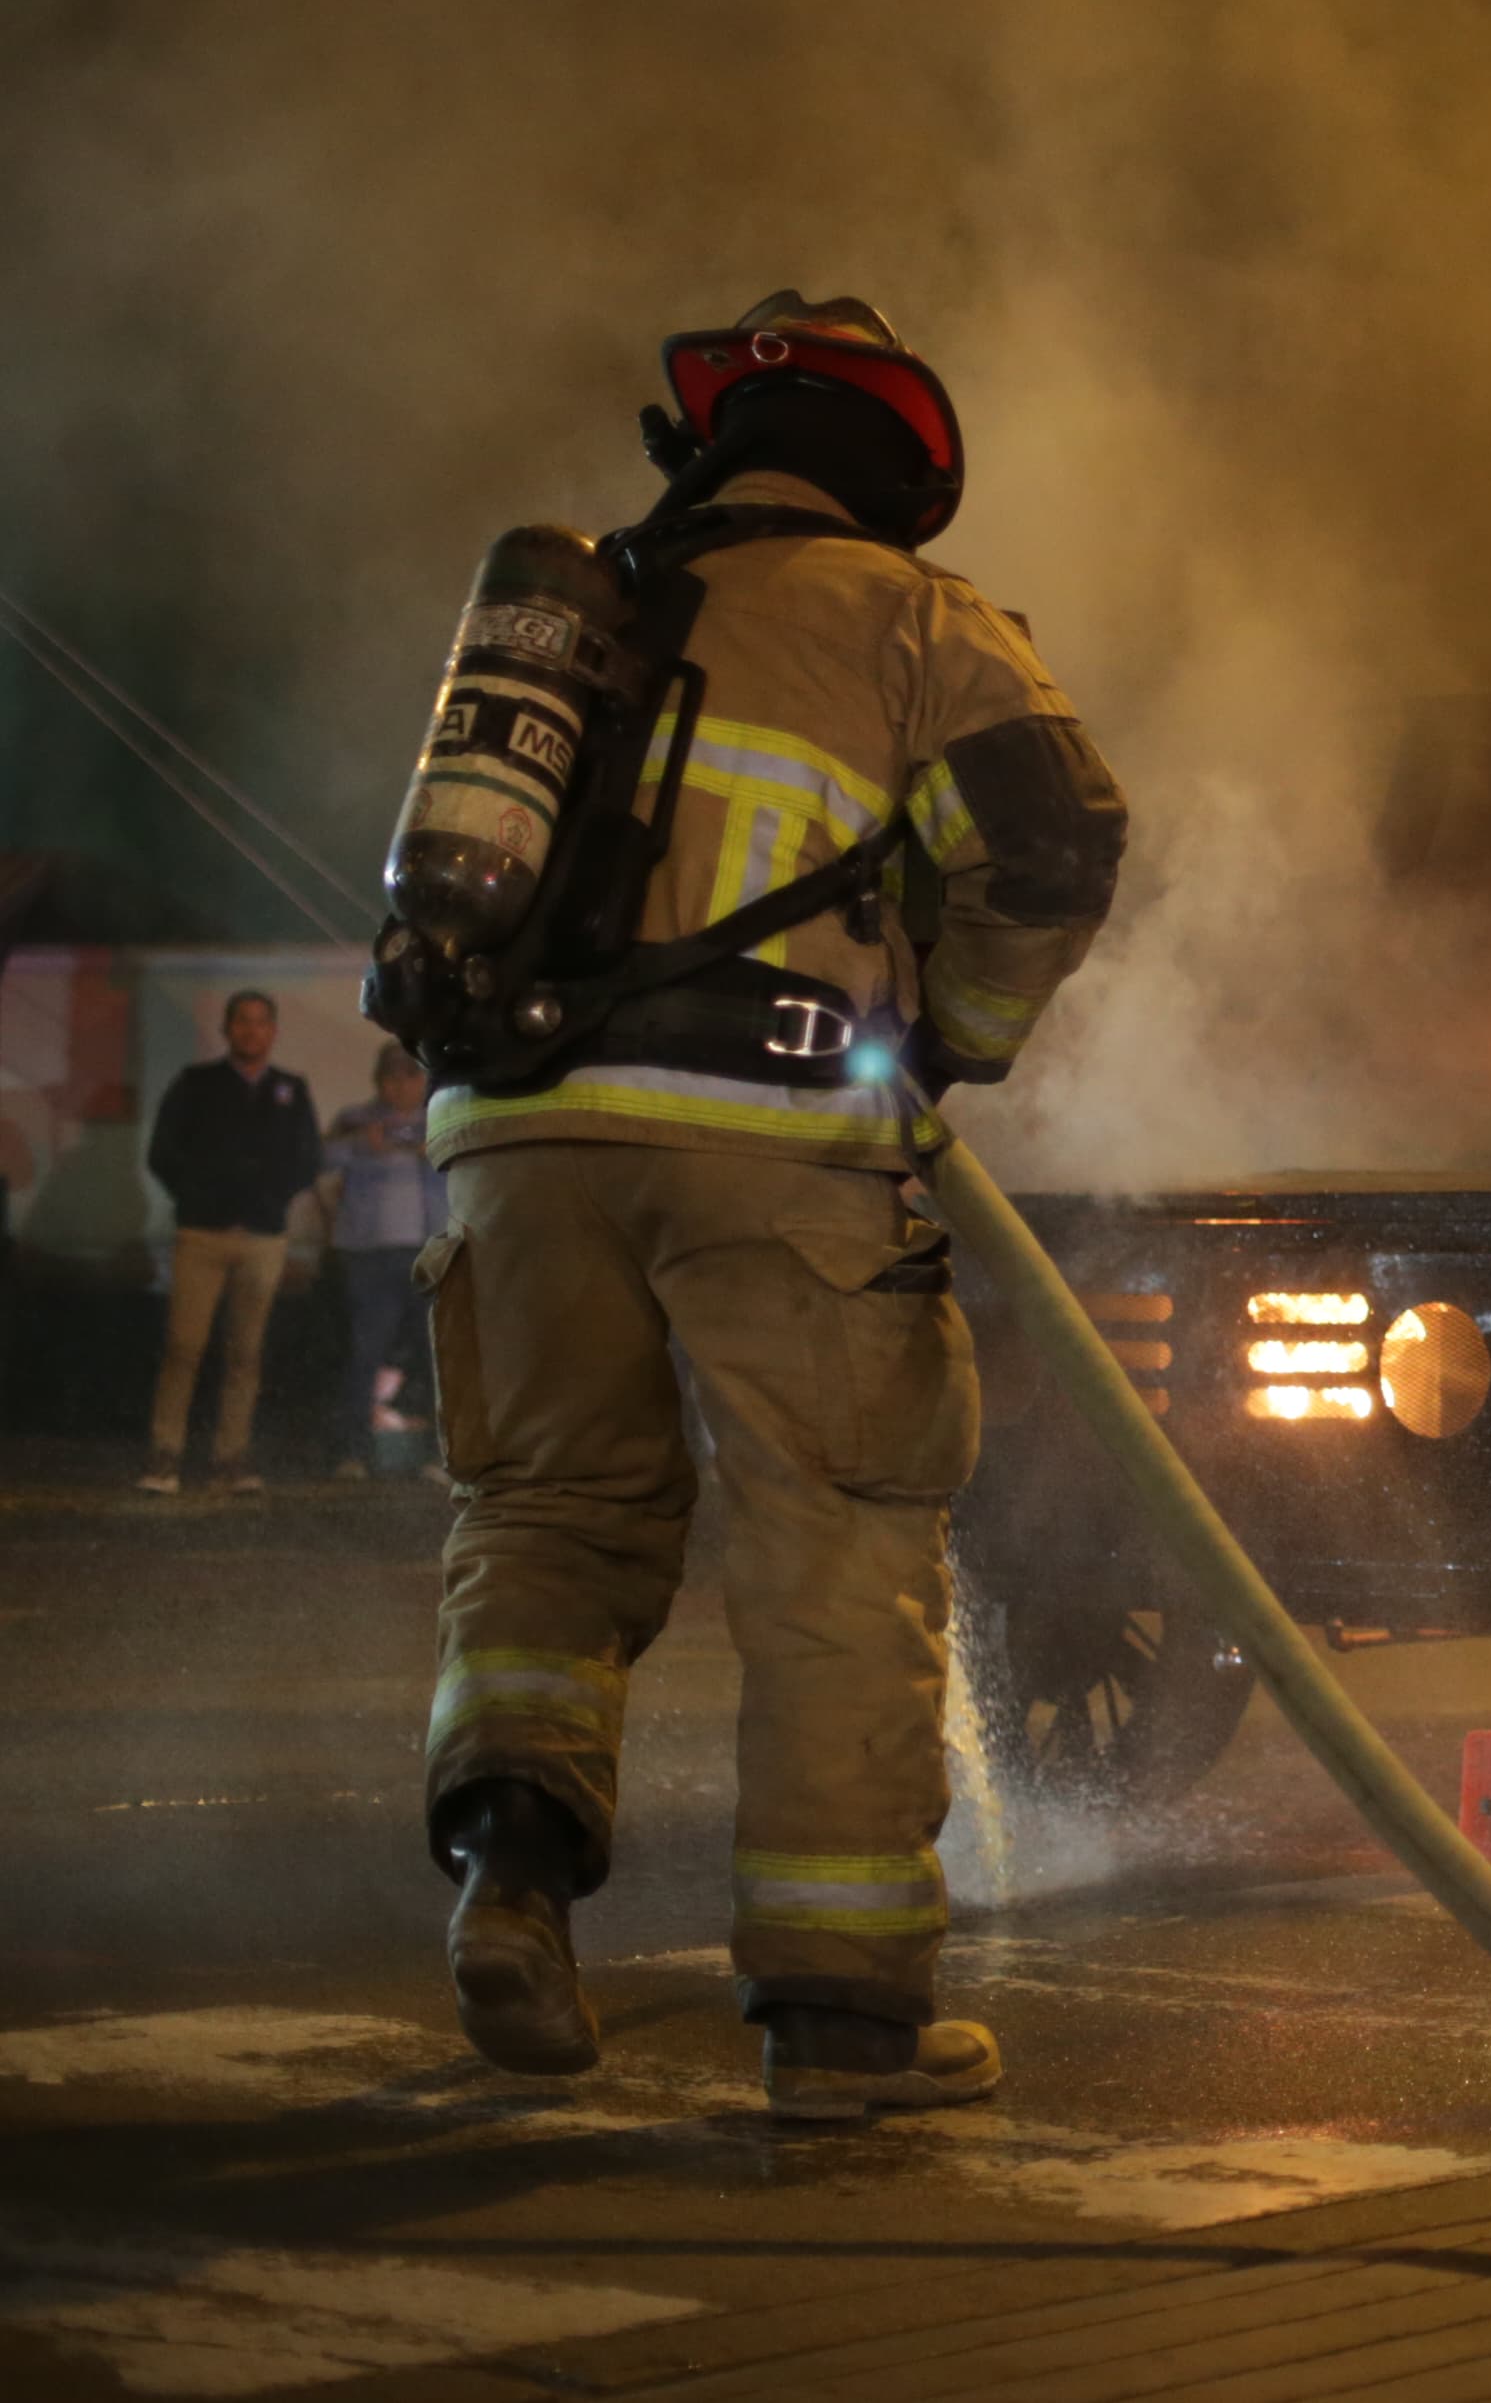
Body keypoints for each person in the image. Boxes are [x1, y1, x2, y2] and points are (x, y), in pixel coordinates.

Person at [414, 293, 1125, 2119]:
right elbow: (1052, 842)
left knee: (550, 1512)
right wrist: (954, 1045)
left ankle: (510, 1872)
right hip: (771, 1131)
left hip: (506, 1124)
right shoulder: (915, 616)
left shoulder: (579, 623)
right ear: (891, 470)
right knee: (836, 1540)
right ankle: (842, 2023)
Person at [138, 989, 322, 1497]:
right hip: (201, 1234)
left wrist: (267, 1203)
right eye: (242, 1021)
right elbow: (163, 1151)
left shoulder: (290, 1089)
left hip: (264, 1238)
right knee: (184, 1347)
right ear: (227, 1029)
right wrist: (199, 1200)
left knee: (246, 1353)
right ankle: (165, 1453)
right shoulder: (197, 1085)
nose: (251, 1030)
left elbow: (308, 1158)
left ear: (273, 1031)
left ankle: (230, 1457)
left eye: (262, 1022)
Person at [321, 1044, 448, 1477]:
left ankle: (441, 1454)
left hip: (431, 1251)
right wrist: (363, 1145)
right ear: (378, 1080)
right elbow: (318, 1159)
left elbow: (473, 1163)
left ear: (423, 1080)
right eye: (391, 1077)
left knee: (439, 1356)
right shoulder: (356, 1119)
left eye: (409, 1076)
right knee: (364, 1352)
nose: (400, 1085)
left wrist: (434, 1149)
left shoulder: (442, 1117)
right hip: (369, 1256)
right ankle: (352, 1453)